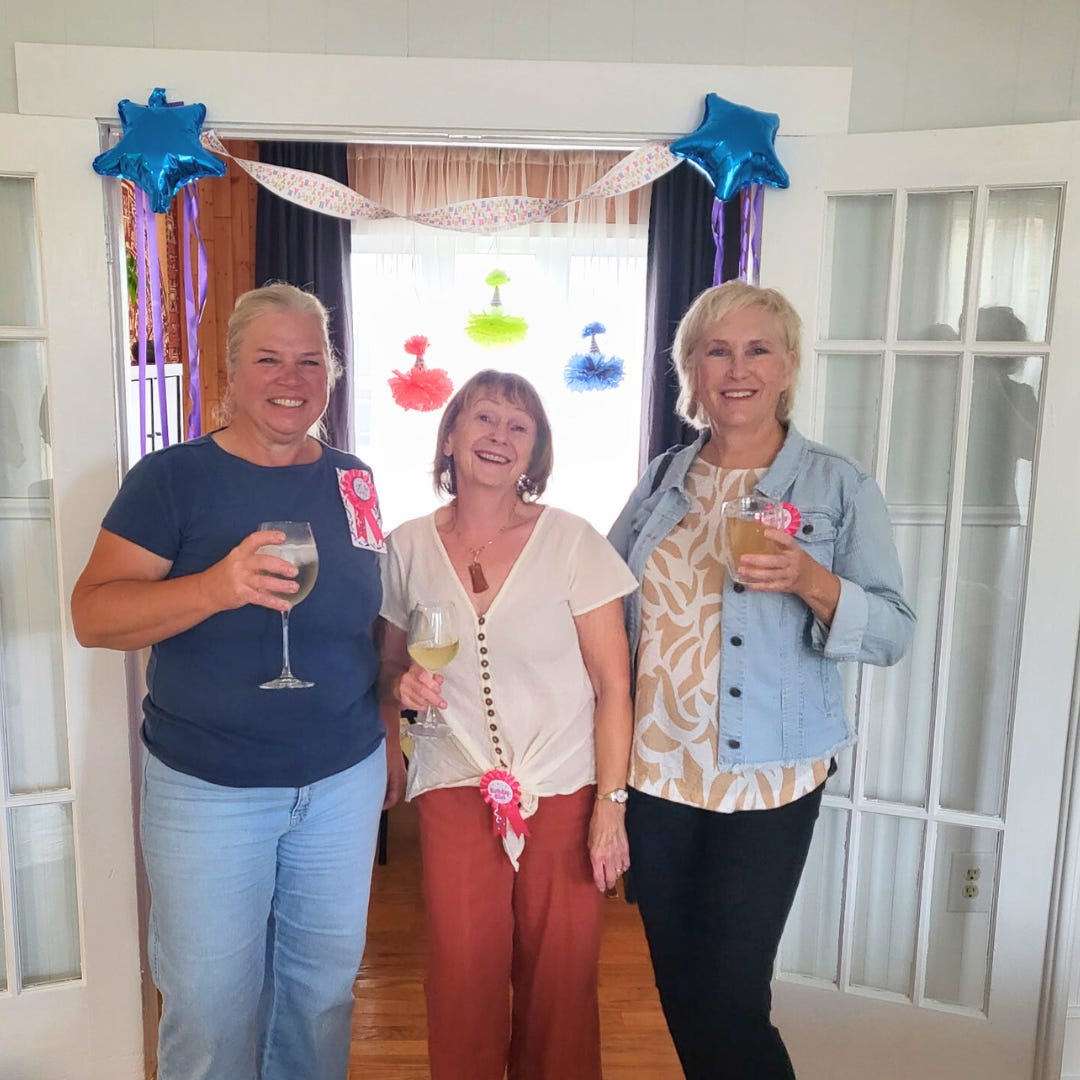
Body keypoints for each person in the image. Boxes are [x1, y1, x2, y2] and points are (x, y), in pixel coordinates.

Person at [71, 283, 399, 1080]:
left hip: (342, 782)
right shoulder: (172, 478)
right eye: (269, 359)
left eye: (310, 361)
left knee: (320, 1001)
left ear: (332, 374)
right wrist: (216, 588)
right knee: (211, 1012)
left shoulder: (353, 479)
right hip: (208, 792)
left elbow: (368, 622)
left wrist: (389, 733)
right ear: (231, 368)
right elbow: (94, 616)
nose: (291, 378)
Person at [609, 281, 916, 1080]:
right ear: (692, 369)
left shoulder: (837, 486)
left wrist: (813, 579)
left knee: (732, 996)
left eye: (757, 350)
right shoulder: (662, 479)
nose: (737, 368)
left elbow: (893, 631)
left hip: (768, 780)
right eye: (717, 350)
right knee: (681, 989)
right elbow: (601, 605)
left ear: (787, 366)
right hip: (658, 776)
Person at [380, 370, 637, 1080]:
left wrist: (611, 806)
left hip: (564, 787)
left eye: (518, 426)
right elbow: (387, 665)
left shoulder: (574, 542)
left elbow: (615, 686)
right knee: (461, 977)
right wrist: (398, 691)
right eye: (484, 418)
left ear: (535, 451)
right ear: (451, 436)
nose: (499, 436)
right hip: (453, 782)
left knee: (561, 980)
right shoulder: (406, 547)